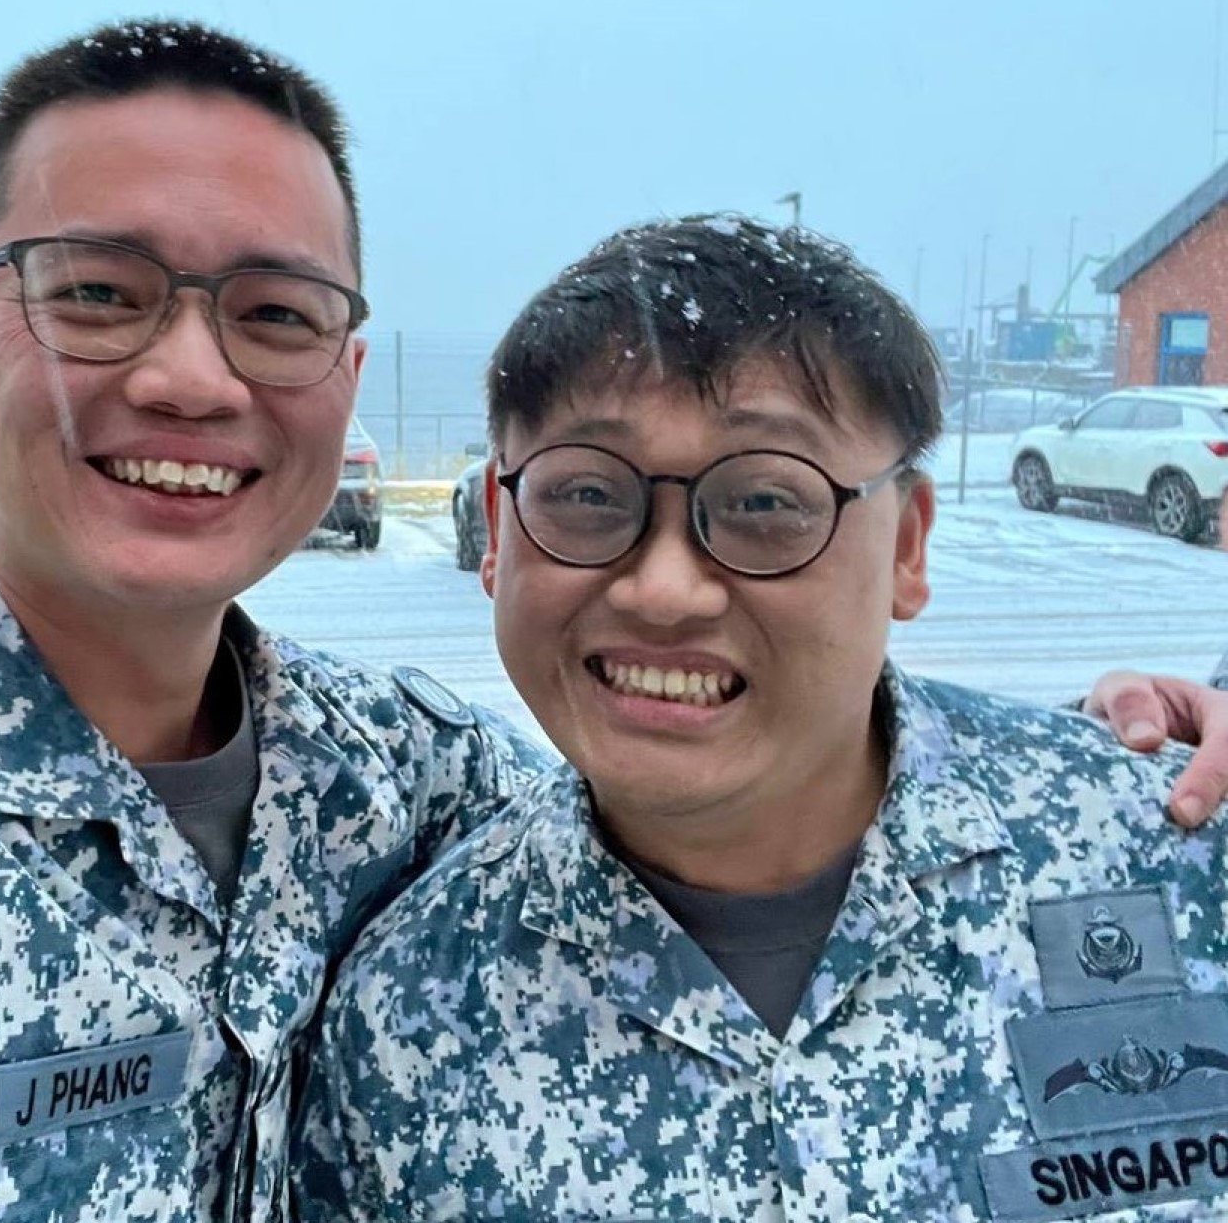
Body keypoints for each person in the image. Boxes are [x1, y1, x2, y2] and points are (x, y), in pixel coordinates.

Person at [0, 26, 1219, 1223]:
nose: (193, 376)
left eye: (277, 315)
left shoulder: (408, 792)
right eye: (98, 292)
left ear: (345, 384)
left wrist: (1128, 747)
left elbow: (733, 750)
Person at [293, 216, 1228, 1221]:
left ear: (907, 546)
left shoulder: (1171, 858)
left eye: (766, 503)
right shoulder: (403, 1015)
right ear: (496, 526)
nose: (663, 589)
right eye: (587, 493)